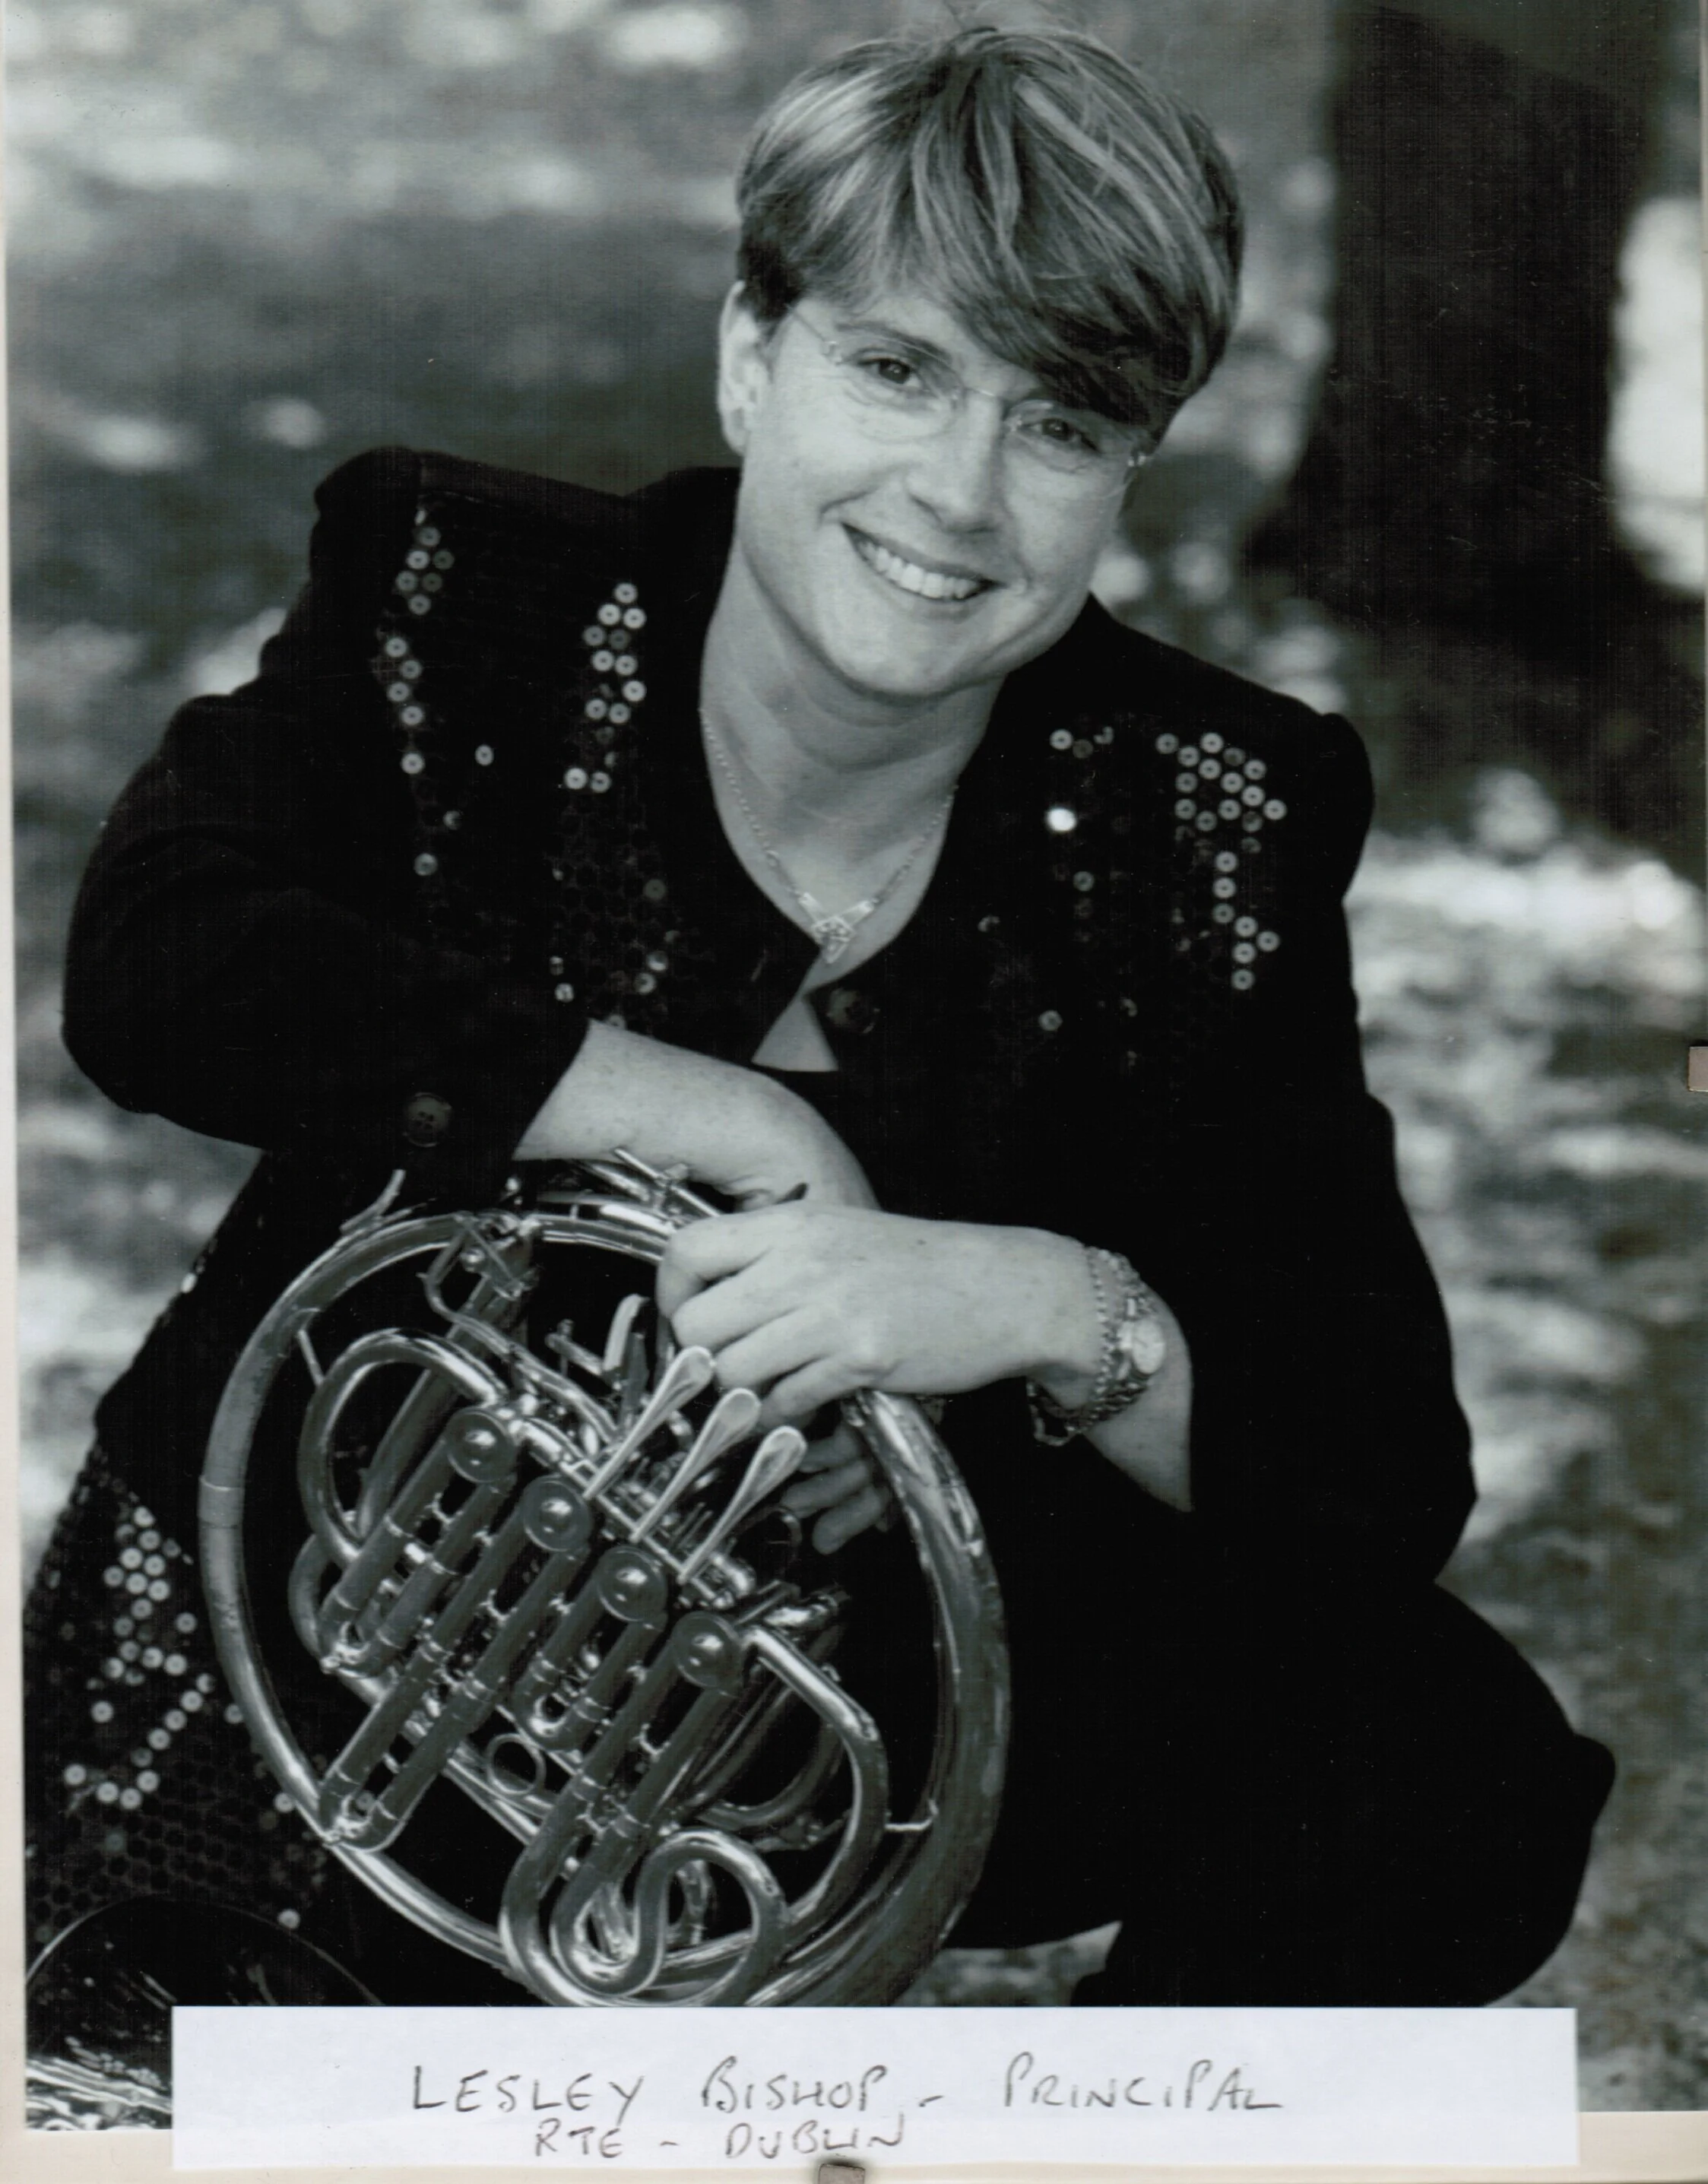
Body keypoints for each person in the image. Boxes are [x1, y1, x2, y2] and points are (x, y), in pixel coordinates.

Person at [27, 23, 1611, 2018]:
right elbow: (160, 957)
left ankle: (1102, 2145)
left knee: (1440, 1767)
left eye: (1061, 426)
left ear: (1132, 465)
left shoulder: (1195, 811)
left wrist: (1042, 1303)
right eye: (897, 370)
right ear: (749, 355)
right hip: (345, 1658)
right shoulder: (466, 605)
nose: (961, 495)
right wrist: (737, 1123)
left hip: (844, 1685)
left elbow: (1373, 1468)